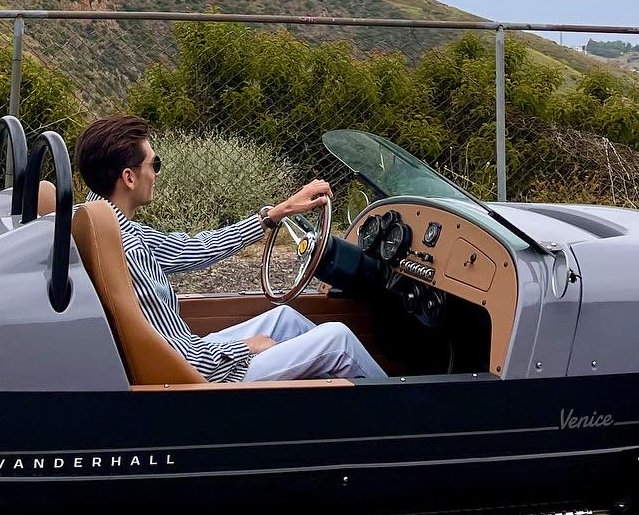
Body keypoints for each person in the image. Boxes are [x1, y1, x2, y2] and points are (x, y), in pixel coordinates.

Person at [43, 114, 386, 384]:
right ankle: (405, 425)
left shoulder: (97, 222)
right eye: (154, 164)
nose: (157, 174)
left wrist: (274, 214)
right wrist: (244, 348)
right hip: (205, 378)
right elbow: (183, 357)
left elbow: (195, 248)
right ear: (129, 178)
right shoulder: (127, 249)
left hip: (190, 356)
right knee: (338, 339)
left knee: (284, 318)